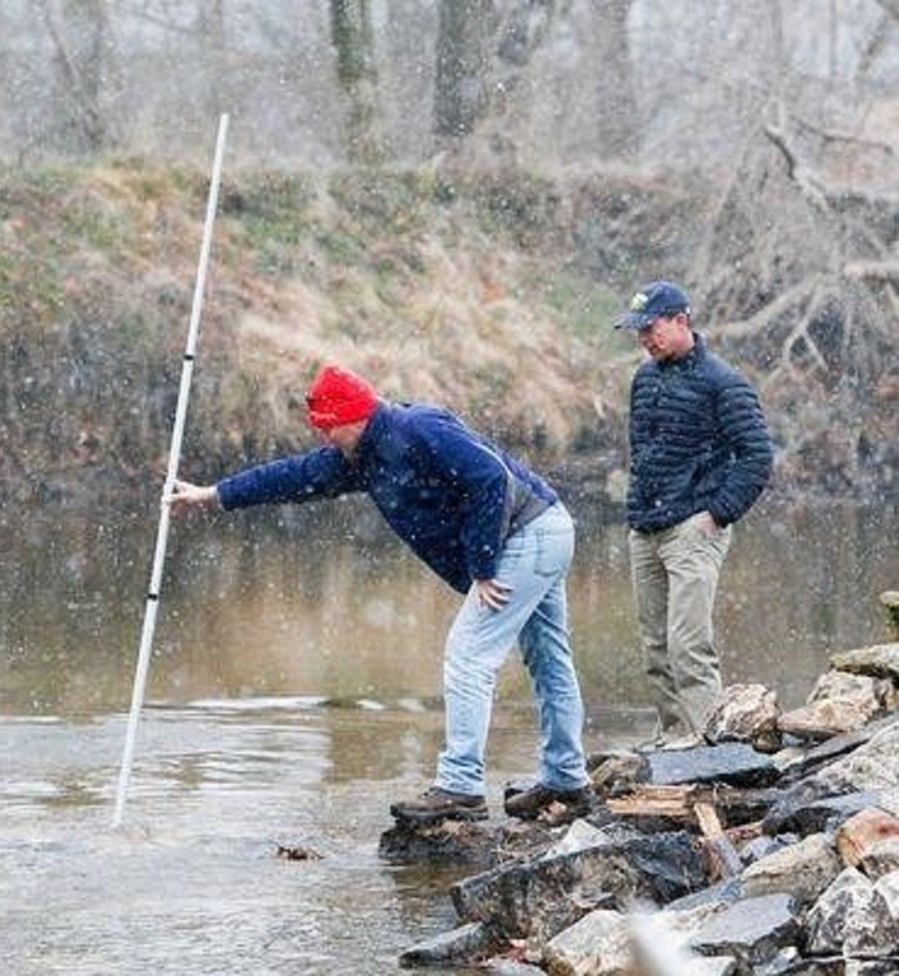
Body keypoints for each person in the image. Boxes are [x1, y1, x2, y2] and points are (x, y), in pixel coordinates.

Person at [168, 363, 594, 824]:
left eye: (329, 428)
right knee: (549, 660)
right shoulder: (363, 456)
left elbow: (490, 477)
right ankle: (567, 780)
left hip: (529, 534)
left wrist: (483, 564)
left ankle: (461, 787)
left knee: (468, 657)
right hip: (546, 528)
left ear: (354, 416)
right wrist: (213, 495)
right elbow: (293, 476)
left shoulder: (416, 428)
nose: (325, 439)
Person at [615, 281, 773, 748]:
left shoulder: (723, 382)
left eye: (651, 328)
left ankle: (710, 745)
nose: (644, 338)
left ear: (680, 321)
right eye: (638, 331)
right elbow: (642, 451)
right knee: (655, 645)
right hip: (645, 526)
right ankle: (673, 734)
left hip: (693, 527)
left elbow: (757, 457)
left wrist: (718, 513)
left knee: (689, 644)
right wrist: (637, 510)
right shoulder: (643, 379)